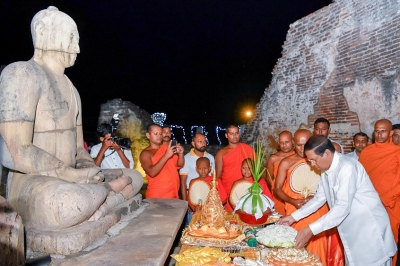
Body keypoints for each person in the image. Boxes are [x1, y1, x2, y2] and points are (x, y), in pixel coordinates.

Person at [0, 7, 142, 231]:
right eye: (71, 38)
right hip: (34, 182)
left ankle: (101, 204)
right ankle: (107, 197)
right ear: (42, 31)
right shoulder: (21, 74)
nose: (76, 48)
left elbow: (79, 150)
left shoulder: (71, 89)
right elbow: (14, 151)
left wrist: (88, 169)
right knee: (69, 204)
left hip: (72, 177)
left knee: (135, 177)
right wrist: (70, 175)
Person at [280, 136, 396, 266]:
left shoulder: (347, 167)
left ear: (327, 153)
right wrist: (293, 217)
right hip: (352, 229)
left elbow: (342, 207)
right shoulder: (325, 170)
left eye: (313, 160)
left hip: (369, 229)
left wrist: (310, 230)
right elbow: (319, 198)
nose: (312, 165)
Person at [274, 129, 329, 264]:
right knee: (295, 247)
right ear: (293, 143)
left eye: (305, 144)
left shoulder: (320, 161)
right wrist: (294, 201)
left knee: (317, 245)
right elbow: (277, 189)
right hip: (294, 209)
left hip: (317, 209)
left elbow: (327, 187)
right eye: (299, 145)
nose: (302, 148)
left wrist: (316, 197)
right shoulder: (286, 162)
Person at [359, 119, 400, 266]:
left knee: (390, 239)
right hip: (369, 202)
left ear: (390, 133)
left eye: (383, 131)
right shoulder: (366, 152)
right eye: (377, 131)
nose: (379, 134)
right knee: (371, 238)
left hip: (391, 203)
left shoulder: (397, 152)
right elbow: (360, 178)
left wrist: (387, 197)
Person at [139, 124, 184, 199]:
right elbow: (152, 172)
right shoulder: (145, 153)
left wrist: (181, 154)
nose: (159, 136)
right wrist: (166, 156)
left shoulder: (166, 149)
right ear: (148, 135)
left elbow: (179, 165)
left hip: (173, 193)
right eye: (156, 134)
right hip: (157, 195)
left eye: (160, 133)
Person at [215, 125, 254, 210]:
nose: (235, 136)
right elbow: (218, 177)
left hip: (247, 188)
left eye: (236, 133)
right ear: (226, 135)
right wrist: (221, 194)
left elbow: (256, 170)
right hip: (228, 190)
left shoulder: (247, 149)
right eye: (231, 134)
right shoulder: (221, 153)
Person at [266, 130, 295, 214]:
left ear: (292, 141)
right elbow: (269, 178)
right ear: (278, 143)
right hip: (279, 196)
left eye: (287, 142)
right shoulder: (274, 158)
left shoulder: (298, 156)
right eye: (281, 143)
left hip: (293, 194)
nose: (284, 145)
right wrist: (277, 191)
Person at [180, 133, 215, 201]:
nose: (203, 143)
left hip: (207, 195)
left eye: (204, 141)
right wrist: (185, 202)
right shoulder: (186, 158)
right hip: (192, 194)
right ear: (193, 143)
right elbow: (183, 182)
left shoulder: (210, 157)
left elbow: (213, 178)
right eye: (200, 141)